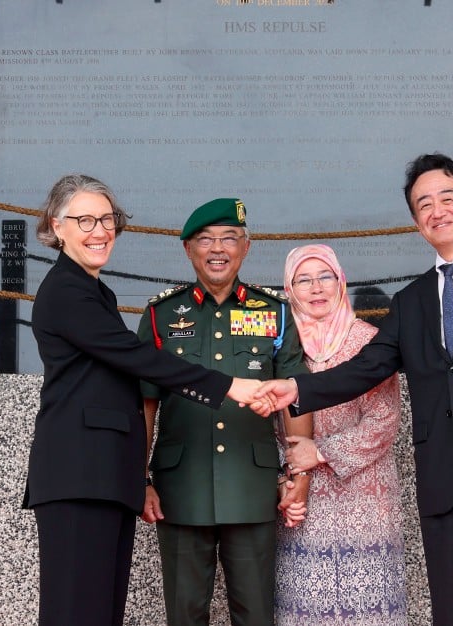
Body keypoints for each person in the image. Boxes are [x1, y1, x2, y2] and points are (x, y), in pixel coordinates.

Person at [254, 153, 453, 626]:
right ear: (416, 222)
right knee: (449, 612)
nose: (436, 210)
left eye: (447, 198)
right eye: (424, 204)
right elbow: (367, 368)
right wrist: (294, 388)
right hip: (442, 477)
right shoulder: (412, 299)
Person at [23, 176, 267, 626]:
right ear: (57, 227)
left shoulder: (95, 289)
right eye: (85, 220)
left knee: (99, 611)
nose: (100, 231)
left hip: (102, 475)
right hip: (79, 474)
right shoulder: (65, 291)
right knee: (77, 612)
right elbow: (138, 359)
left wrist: (138, 475)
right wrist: (228, 386)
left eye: (107, 219)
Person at [136, 198, 313, 626]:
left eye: (229, 238)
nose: (218, 248)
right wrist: (138, 479)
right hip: (180, 489)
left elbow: (296, 394)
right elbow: (143, 402)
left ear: (246, 247)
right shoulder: (161, 315)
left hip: (251, 486)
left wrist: (300, 476)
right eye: (206, 239)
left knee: (255, 615)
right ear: (188, 249)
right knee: (184, 613)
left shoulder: (274, 312)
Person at [274, 244, 407, 625]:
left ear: (340, 282)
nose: (315, 288)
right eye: (303, 279)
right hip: (302, 499)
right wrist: (283, 477)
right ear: (289, 290)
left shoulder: (368, 341)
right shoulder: (281, 347)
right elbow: (266, 424)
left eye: (324, 277)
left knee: (366, 607)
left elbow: (384, 419)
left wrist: (320, 451)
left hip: (364, 500)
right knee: (307, 606)